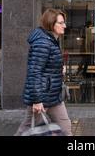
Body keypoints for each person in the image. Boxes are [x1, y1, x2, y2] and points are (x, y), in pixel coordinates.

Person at [15, 8, 72, 136]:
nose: (65, 26)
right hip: (42, 96)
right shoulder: (43, 42)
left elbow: (46, 66)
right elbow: (34, 72)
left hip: (53, 96)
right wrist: (37, 100)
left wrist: (58, 69)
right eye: (61, 23)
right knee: (26, 130)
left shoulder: (51, 40)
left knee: (65, 127)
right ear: (51, 24)